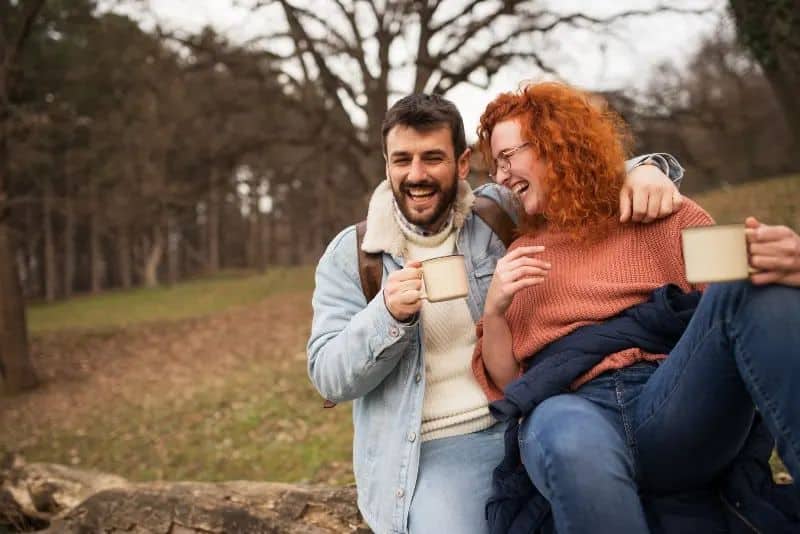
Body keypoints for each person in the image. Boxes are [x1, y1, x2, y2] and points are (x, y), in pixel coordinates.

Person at [307, 92, 685, 534]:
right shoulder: (354, 255)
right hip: (437, 446)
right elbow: (327, 375)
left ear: (462, 163)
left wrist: (644, 169)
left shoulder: (498, 213)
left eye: (433, 158)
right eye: (402, 160)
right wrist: (387, 315)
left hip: (528, 415)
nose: (416, 174)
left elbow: (571, 173)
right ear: (387, 164)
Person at [473, 82, 800, 532]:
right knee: (570, 437)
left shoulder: (662, 213)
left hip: (672, 404)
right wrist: (495, 310)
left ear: (555, 143)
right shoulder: (521, 255)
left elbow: (736, 312)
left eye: (507, 157)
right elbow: (511, 383)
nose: (501, 176)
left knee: (753, 284)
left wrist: (782, 263)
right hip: (570, 408)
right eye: (495, 165)